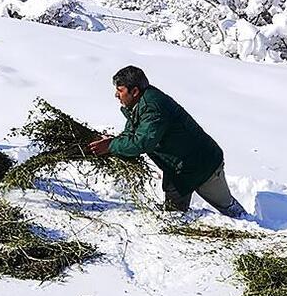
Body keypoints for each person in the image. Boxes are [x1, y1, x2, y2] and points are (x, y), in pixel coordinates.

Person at [88, 65, 246, 218]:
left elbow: (142, 142)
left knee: (228, 208)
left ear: (134, 91)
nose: (116, 95)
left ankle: (255, 225)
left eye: (120, 90)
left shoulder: (152, 107)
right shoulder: (137, 105)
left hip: (203, 165)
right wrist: (115, 142)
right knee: (174, 214)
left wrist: (110, 146)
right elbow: (133, 132)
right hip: (178, 168)